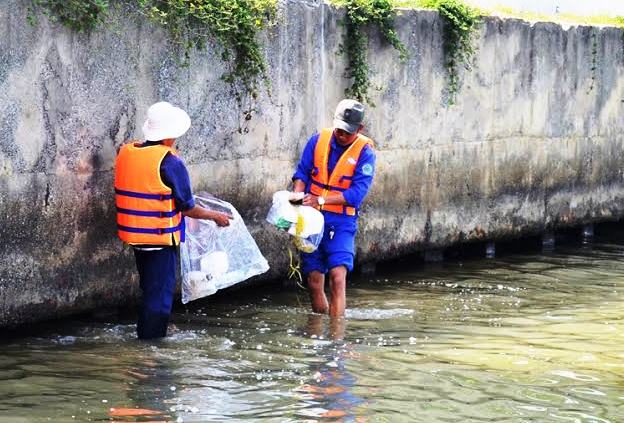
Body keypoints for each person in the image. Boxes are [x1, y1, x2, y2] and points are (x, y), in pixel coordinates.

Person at [114, 101, 231, 340]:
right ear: (170, 136)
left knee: (150, 291)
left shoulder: (129, 152)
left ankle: (147, 336)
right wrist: (215, 216)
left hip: (137, 238)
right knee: (160, 299)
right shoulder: (170, 162)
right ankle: (151, 346)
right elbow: (187, 207)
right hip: (159, 239)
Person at [291, 99, 376, 317]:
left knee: (338, 278)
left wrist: (320, 201)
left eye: (348, 132)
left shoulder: (365, 153)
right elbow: (302, 173)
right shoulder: (318, 140)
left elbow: (356, 194)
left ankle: (337, 339)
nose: (342, 135)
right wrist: (298, 197)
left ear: (360, 129)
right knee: (314, 280)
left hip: (341, 222)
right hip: (310, 219)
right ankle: (319, 335)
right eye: (339, 130)